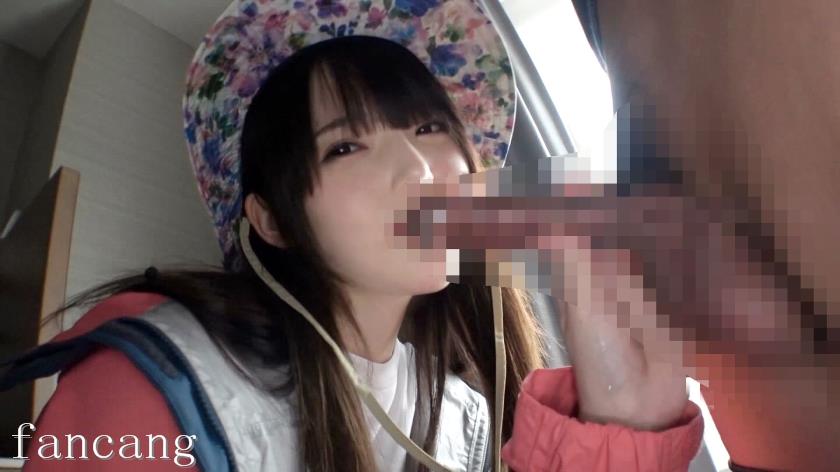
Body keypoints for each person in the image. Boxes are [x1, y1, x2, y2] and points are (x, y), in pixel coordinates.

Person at [1, 1, 703, 471]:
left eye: (429, 126)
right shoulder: (160, 382)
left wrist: (621, 434)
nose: (422, 169)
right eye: (345, 147)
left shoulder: (463, 412)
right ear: (273, 221)